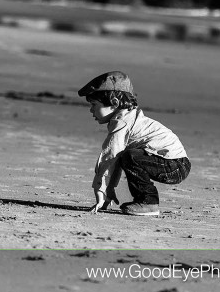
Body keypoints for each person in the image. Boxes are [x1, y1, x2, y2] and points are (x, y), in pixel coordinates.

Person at [77, 70, 191, 216]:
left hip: (174, 164)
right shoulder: (128, 117)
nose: (91, 110)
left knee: (131, 157)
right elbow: (116, 159)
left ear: (114, 103)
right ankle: (146, 201)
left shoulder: (122, 122)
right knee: (129, 157)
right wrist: (109, 188)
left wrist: (100, 190)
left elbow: (109, 157)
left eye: (94, 104)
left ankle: (148, 202)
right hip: (176, 164)